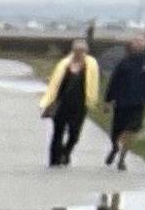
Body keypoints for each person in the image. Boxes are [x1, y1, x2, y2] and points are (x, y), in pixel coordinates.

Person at [42, 37, 104, 168]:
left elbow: (95, 82)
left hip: (80, 105)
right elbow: (55, 82)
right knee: (57, 132)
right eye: (76, 50)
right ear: (72, 50)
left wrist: (93, 99)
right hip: (61, 104)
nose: (79, 53)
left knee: (74, 134)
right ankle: (54, 159)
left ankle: (66, 152)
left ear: (86, 51)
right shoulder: (63, 65)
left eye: (82, 50)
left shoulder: (91, 65)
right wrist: (50, 100)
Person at [104, 32, 145, 169]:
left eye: (141, 41)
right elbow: (114, 81)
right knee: (116, 132)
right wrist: (108, 100)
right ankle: (115, 148)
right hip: (122, 101)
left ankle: (122, 159)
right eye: (136, 41)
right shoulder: (124, 62)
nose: (138, 44)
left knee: (132, 130)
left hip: (139, 102)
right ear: (131, 44)